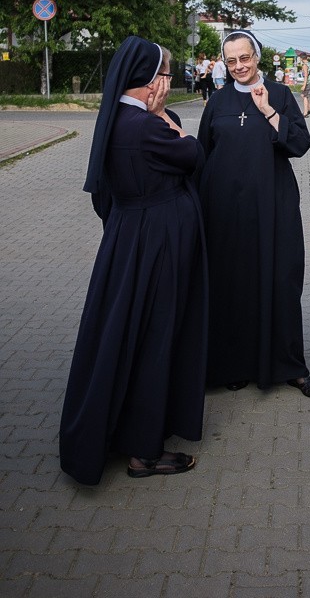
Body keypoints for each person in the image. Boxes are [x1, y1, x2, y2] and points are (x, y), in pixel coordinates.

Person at [59, 36, 207, 484]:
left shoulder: (120, 118)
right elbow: (192, 153)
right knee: (155, 338)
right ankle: (145, 452)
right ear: (146, 81)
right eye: (163, 74)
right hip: (156, 242)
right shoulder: (144, 125)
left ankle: (131, 432)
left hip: (130, 236)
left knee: (130, 334)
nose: (167, 82)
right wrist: (164, 116)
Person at [198, 29, 310, 398]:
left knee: (281, 283)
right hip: (225, 212)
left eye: (245, 58)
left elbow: (300, 144)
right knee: (233, 286)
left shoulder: (282, 95)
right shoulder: (217, 102)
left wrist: (268, 110)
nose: (239, 66)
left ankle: (290, 366)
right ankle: (233, 365)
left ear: (258, 57)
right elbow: (203, 156)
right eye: (232, 60)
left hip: (273, 208)